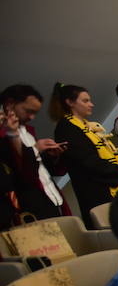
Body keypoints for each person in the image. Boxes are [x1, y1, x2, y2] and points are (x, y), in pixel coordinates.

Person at [51, 83, 118, 225]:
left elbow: (109, 153)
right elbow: (88, 161)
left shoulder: (89, 126)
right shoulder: (66, 128)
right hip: (97, 192)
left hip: (112, 182)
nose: (91, 104)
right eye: (86, 101)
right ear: (70, 102)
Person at [0, 84, 69, 220]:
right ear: (9, 105)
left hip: (53, 198)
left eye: (35, 113)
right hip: (29, 208)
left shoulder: (29, 131)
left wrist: (52, 156)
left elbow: (42, 170)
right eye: (28, 111)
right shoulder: (3, 136)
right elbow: (22, 175)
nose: (32, 117)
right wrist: (35, 149)